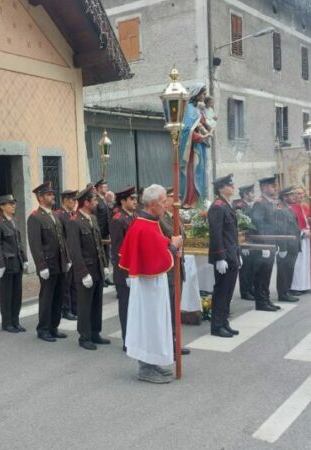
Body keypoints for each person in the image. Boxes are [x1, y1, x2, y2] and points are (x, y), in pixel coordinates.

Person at [118, 184, 184, 384]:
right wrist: (173, 247)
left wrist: (170, 245)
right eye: (164, 201)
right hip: (149, 286)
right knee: (150, 323)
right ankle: (145, 367)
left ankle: (152, 361)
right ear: (154, 204)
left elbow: (158, 245)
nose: (168, 205)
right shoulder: (142, 225)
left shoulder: (150, 221)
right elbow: (157, 259)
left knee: (156, 322)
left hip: (154, 284)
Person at [67, 186, 110, 350]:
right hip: (86, 271)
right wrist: (83, 273)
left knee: (96, 303)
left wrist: (105, 265)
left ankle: (95, 332)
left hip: (97, 268)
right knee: (84, 305)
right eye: (94, 200)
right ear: (86, 202)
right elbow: (75, 250)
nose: (97, 202)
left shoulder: (92, 219)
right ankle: (84, 337)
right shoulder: (74, 222)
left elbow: (99, 245)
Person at [26, 181, 70, 342]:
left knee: (58, 297)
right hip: (48, 265)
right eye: (49, 194)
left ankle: (54, 326)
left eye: (52, 194)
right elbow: (35, 244)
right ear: (40, 197)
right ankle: (43, 329)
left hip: (60, 263)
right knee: (47, 297)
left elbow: (62, 239)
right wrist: (41, 266)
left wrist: (67, 258)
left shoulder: (55, 215)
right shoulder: (35, 218)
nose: (53, 196)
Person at [208, 174, 242, 338]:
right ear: (221, 188)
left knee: (228, 292)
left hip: (232, 255)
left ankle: (224, 322)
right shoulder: (218, 206)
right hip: (224, 257)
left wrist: (238, 253)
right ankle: (216, 326)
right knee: (221, 291)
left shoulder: (228, 205)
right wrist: (219, 257)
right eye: (230, 184)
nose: (232, 187)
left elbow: (232, 234)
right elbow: (216, 234)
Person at [159, 187, 190, 354]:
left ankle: (175, 341)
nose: (176, 201)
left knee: (175, 307)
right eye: (172, 197)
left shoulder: (175, 218)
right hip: (169, 270)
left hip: (179, 267)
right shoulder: (162, 220)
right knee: (169, 308)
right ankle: (170, 343)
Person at [0, 194, 28, 334]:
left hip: (17, 263)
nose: (13, 206)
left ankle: (16, 321)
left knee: (17, 294)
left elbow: (19, 243)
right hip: (6, 264)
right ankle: (7, 323)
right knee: (6, 295)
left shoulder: (13, 221)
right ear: (2, 207)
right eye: (9, 204)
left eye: (13, 203)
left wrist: (24, 259)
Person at [109, 186, 137, 347]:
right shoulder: (118, 219)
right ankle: (128, 341)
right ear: (123, 201)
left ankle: (134, 338)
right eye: (131, 199)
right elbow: (119, 250)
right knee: (126, 307)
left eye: (135, 199)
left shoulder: (133, 217)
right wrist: (127, 273)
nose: (135, 201)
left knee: (135, 308)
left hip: (134, 270)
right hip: (125, 273)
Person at [249, 176, 282, 311]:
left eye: (274, 186)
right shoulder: (260, 203)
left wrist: (275, 243)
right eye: (271, 186)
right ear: (264, 188)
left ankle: (266, 299)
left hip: (269, 244)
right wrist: (263, 244)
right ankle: (261, 302)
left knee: (267, 274)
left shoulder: (268, 203)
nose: (274, 188)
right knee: (261, 275)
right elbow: (257, 224)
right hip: (262, 245)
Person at [179, 83, 209, 207]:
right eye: (202, 93)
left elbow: (202, 126)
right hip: (192, 149)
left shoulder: (198, 110)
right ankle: (191, 201)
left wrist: (207, 131)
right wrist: (199, 137)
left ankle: (200, 200)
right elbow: (186, 129)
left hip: (200, 147)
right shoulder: (189, 108)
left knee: (201, 172)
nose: (204, 96)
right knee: (193, 173)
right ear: (196, 94)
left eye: (205, 93)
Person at [289, 187, 311, 295]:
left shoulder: (305, 207)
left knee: (307, 263)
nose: (301, 196)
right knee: (298, 263)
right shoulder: (291, 208)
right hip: (299, 239)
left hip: (307, 240)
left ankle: (305, 285)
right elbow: (291, 227)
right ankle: (295, 287)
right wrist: (304, 234)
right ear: (293, 195)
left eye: (302, 193)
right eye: (298, 193)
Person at [275, 187, 302, 303]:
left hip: (293, 244)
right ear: (285, 197)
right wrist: (283, 247)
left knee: (289, 269)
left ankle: (287, 291)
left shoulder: (288, 208)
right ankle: (283, 293)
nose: (294, 197)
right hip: (287, 245)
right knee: (283, 270)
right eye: (291, 195)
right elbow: (280, 229)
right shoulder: (281, 209)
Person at [56, 189, 79, 321]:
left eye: (75, 200)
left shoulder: (74, 214)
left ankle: (75, 307)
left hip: (75, 253)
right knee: (66, 283)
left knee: (75, 282)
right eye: (72, 199)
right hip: (66, 253)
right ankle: (66, 309)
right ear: (64, 200)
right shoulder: (59, 215)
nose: (74, 202)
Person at [235, 184, 258, 301]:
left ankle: (250, 288)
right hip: (244, 242)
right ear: (245, 195)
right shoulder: (240, 207)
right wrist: (243, 245)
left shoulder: (248, 206)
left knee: (251, 266)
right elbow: (240, 227)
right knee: (245, 268)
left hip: (251, 241)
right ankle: (245, 291)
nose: (254, 195)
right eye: (251, 193)